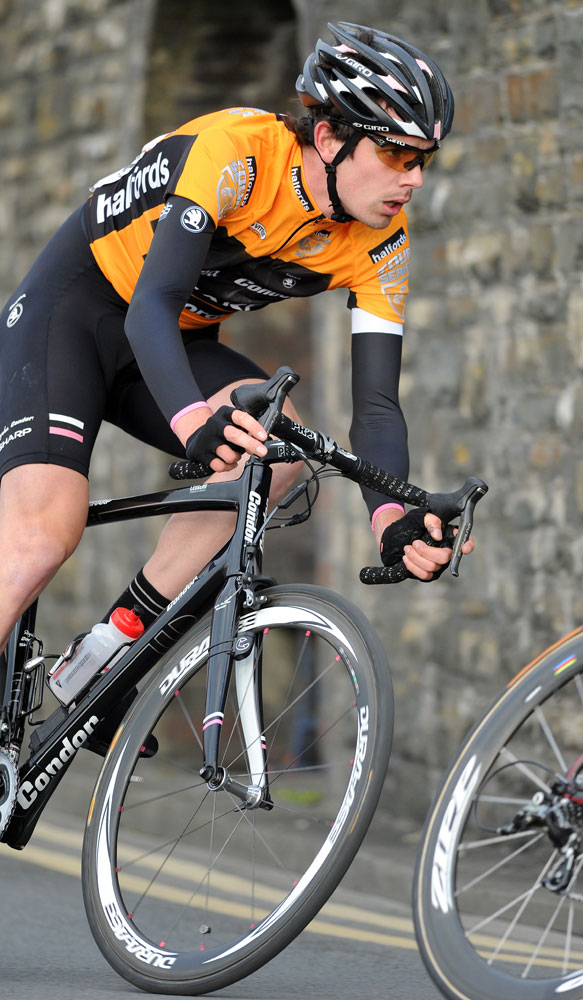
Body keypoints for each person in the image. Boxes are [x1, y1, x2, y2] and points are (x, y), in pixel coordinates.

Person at [0, 22, 473, 725]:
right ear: (328, 137)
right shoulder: (236, 152)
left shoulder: (381, 242)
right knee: (43, 536)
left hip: (172, 340)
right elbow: (151, 303)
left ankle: (107, 648)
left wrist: (390, 515)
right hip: (77, 312)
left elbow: (374, 404)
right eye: (394, 151)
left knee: (277, 456)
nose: (412, 177)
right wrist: (194, 420)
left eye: (423, 158)